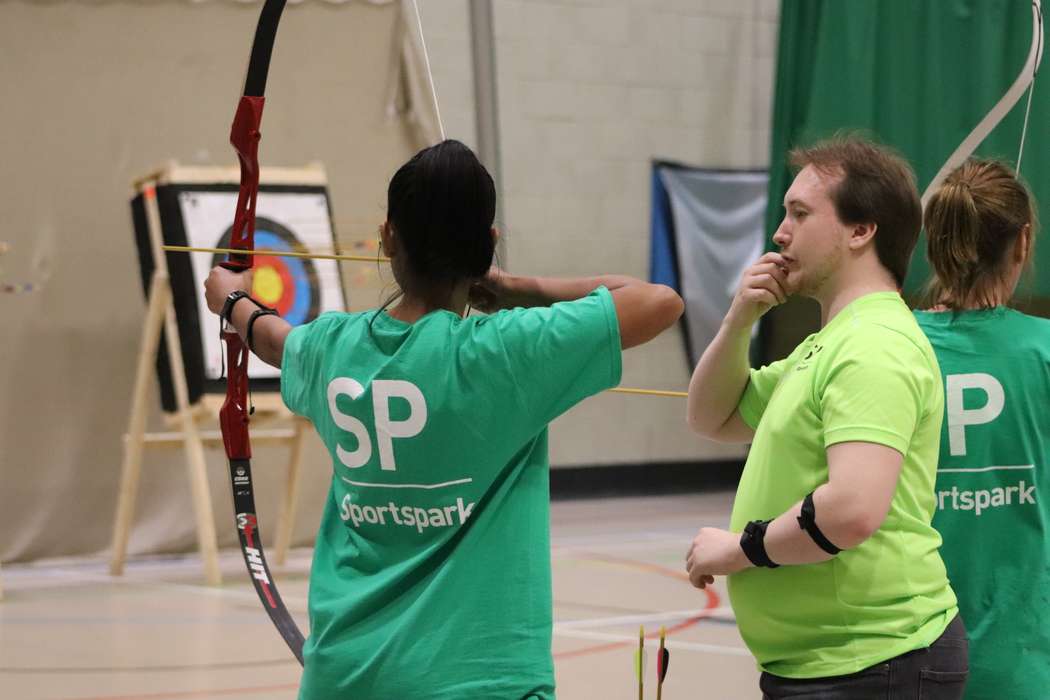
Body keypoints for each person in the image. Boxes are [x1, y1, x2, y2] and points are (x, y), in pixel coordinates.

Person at [203, 139, 683, 699]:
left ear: (387, 237)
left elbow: (272, 338)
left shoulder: (331, 346)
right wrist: (516, 289)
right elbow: (657, 301)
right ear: (489, 246)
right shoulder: (502, 351)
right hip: (480, 683)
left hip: (346, 677)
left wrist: (233, 301)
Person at [684, 136, 966, 698]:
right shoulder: (829, 344)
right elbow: (713, 417)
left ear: (861, 231)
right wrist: (739, 320)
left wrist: (738, 549)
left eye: (800, 213)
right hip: (832, 664)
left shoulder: (874, 345)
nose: (780, 233)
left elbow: (853, 510)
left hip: (873, 662)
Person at [915, 159, 1049, 699]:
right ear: (1022, 242)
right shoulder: (1043, 350)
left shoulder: (885, 345)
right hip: (1018, 662)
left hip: (902, 657)